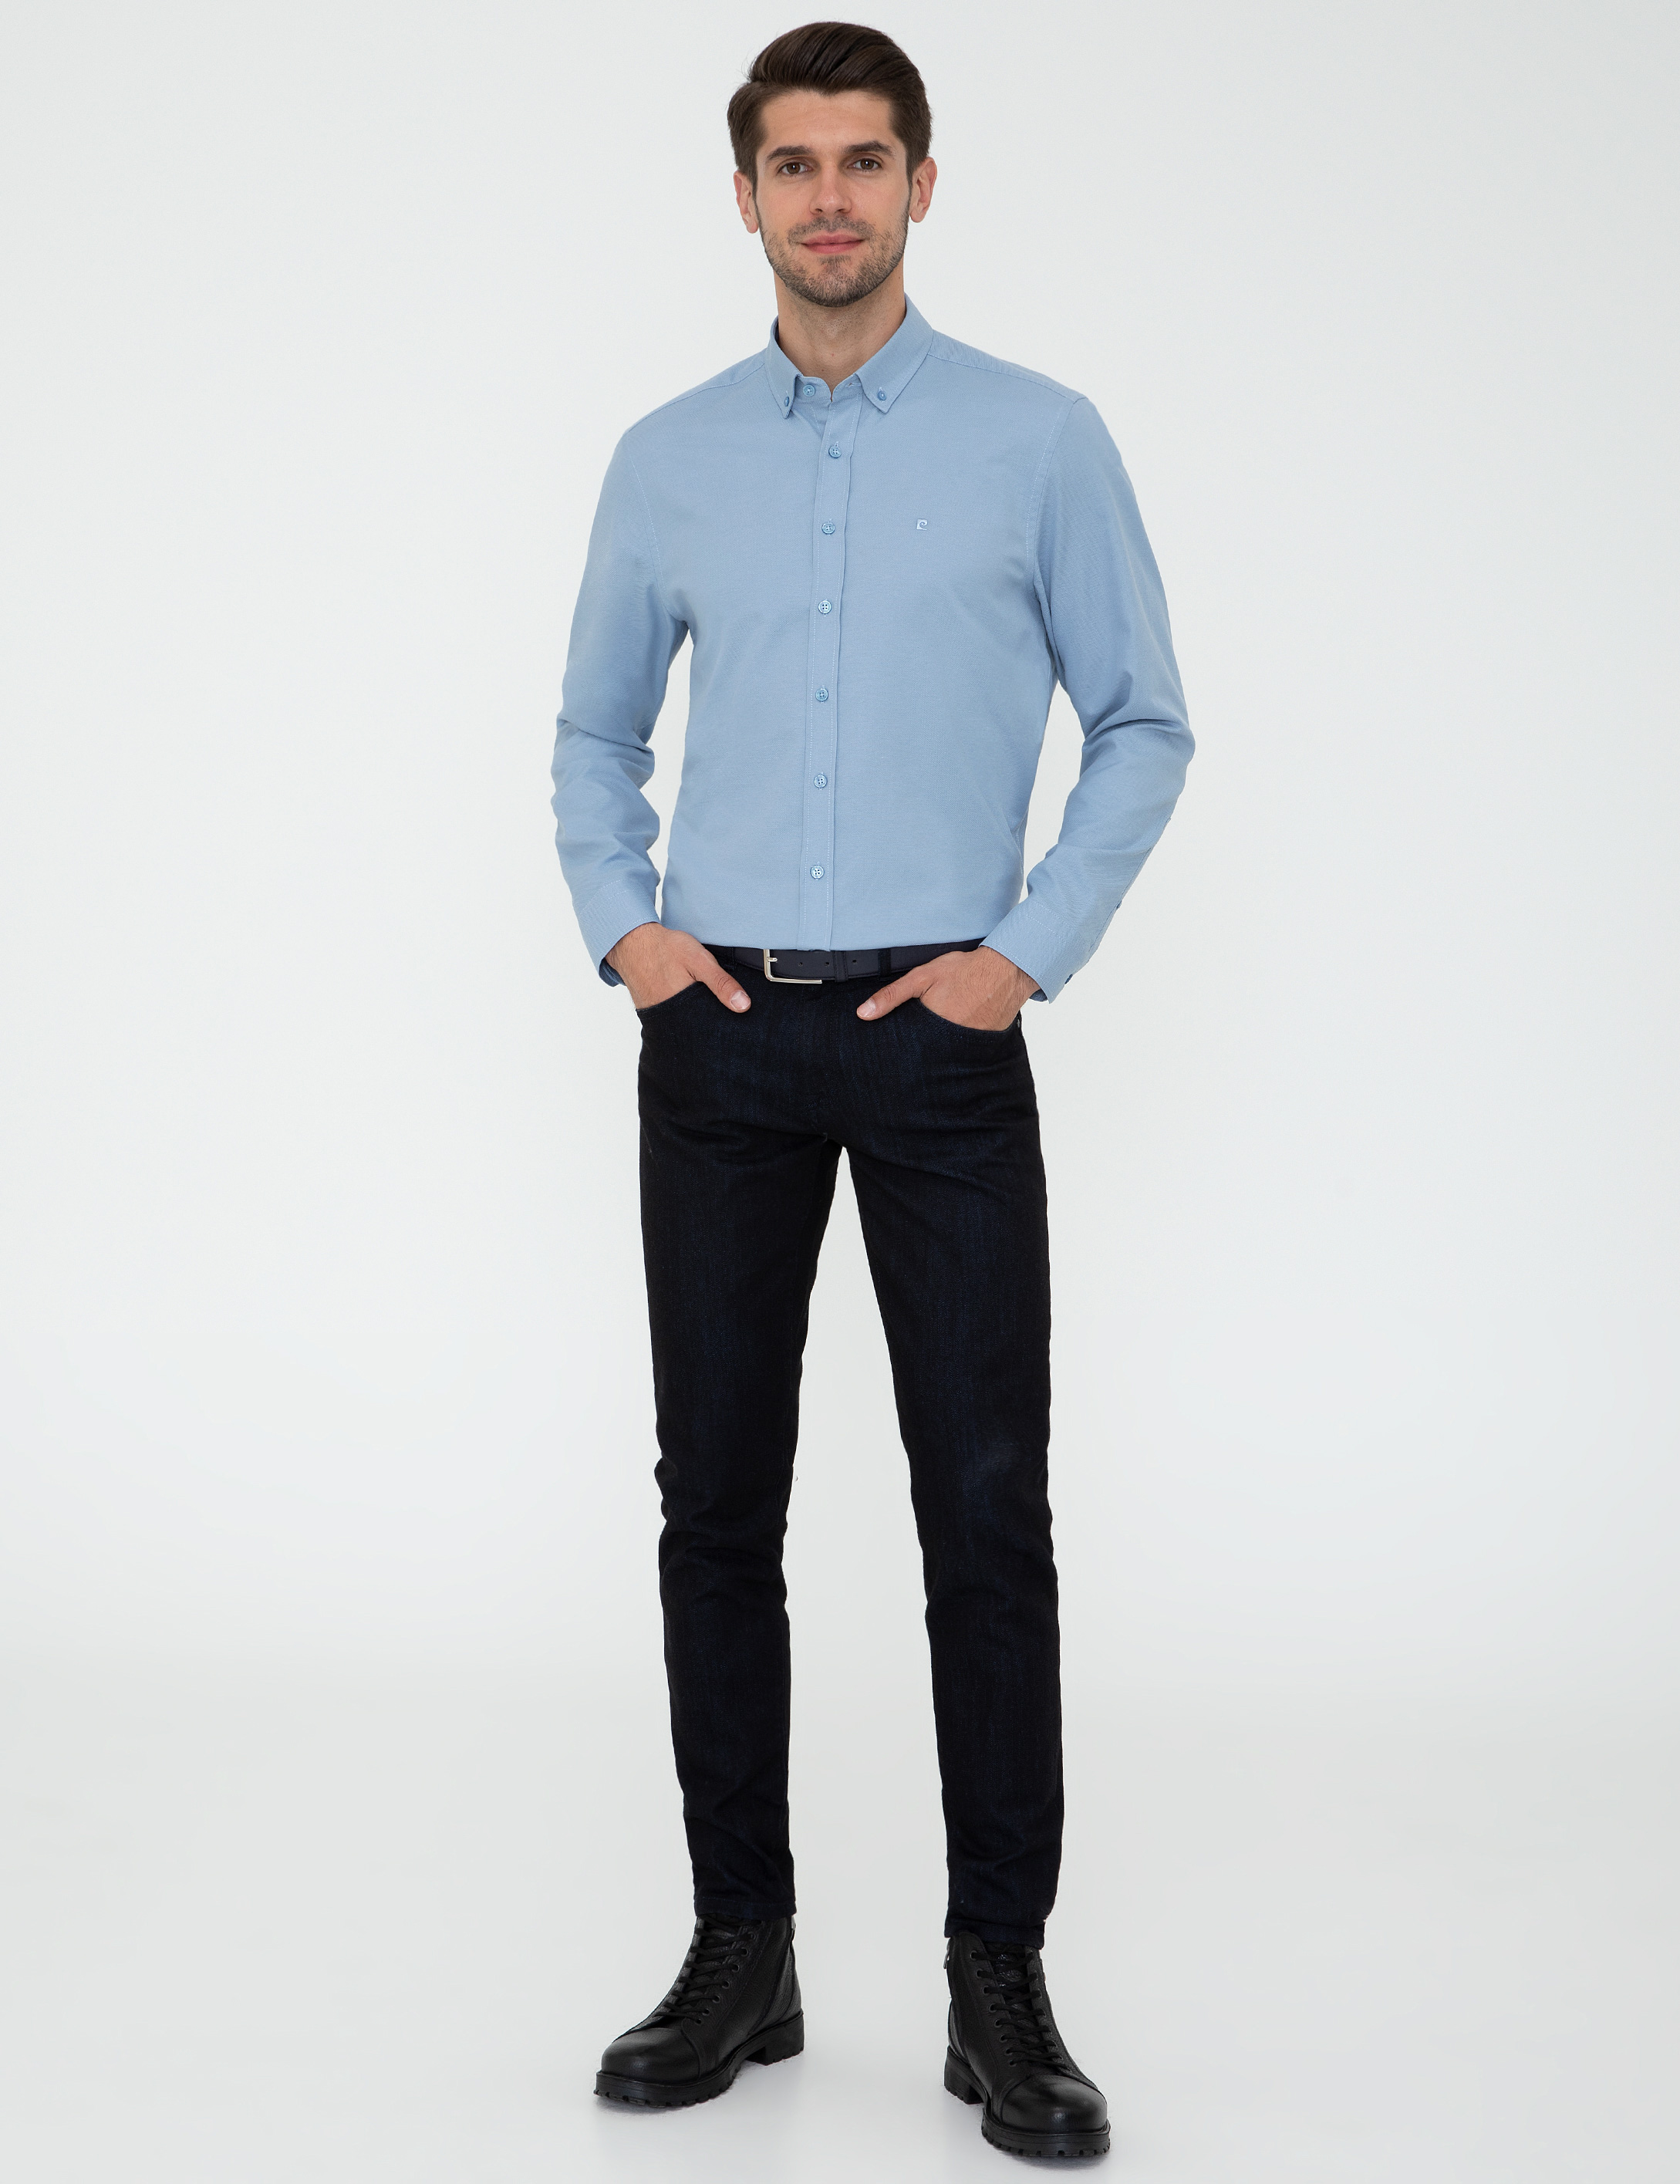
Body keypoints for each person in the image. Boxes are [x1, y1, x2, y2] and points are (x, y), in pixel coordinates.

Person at [551, 20, 1190, 2161]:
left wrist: (1021, 954)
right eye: (792, 163)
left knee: (984, 1510)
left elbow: (1143, 720)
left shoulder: (1041, 441)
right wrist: (629, 929)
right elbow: (592, 736)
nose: (828, 197)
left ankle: (997, 1981)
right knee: (715, 1508)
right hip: (722, 1036)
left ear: (923, 182)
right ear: (742, 194)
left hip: (941, 1043)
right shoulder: (665, 458)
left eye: (864, 159)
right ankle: (744, 1951)